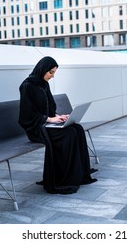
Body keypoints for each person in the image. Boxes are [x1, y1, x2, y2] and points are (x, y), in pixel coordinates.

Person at [18, 56, 97, 194]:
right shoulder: (27, 86)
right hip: (36, 128)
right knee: (69, 134)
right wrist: (49, 119)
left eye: (54, 72)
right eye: (51, 72)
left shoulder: (44, 84)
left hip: (47, 123)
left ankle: (79, 173)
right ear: (42, 69)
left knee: (77, 129)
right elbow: (26, 116)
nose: (52, 76)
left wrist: (58, 117)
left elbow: (49, 109)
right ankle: (64, 178)